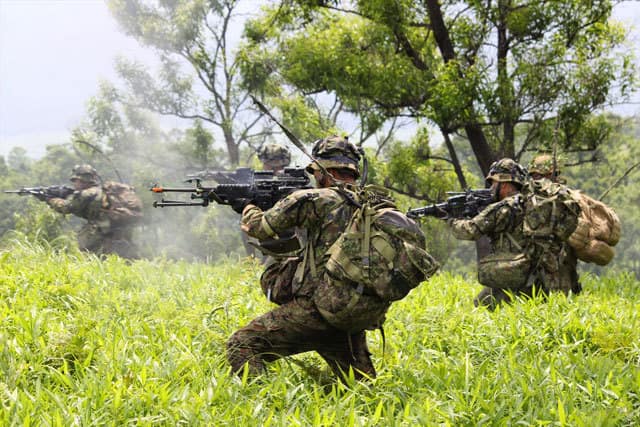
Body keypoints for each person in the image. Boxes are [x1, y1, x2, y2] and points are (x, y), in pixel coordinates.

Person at [226, 136, 391, 381]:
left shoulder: (314, 199)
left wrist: (249, 205)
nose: (314, 178)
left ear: (324, 169)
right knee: (361, 388)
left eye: (315, 171)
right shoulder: (374, 202)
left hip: (316, 312)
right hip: (354, 313)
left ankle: (265, 408)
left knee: (241, 344)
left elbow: (257, 227)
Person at [448, 158, 578, 310]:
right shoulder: (537, 204)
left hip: (517, 277)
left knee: (481, 308)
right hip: (549, 279)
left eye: (494, 183)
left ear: (504, 184)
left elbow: (469, 231)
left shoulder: (504, 208)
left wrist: (451, 220)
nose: (491, 188)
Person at [47, 164, 141, 259]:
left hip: (100, 239)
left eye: (75, 180)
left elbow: (66, 207)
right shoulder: (105, 192)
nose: (74, 184)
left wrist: (50, 199)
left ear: (81, 180)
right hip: (120, 238)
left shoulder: (87, 193)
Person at [529, 153, 581, 294]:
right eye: (533, 176)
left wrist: (552, 235)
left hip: (558, 257)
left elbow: (567, 227)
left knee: (557, 298)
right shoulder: (529, 195)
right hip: (533, 256)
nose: (536, 180)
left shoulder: (563, 195)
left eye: (538, 176)